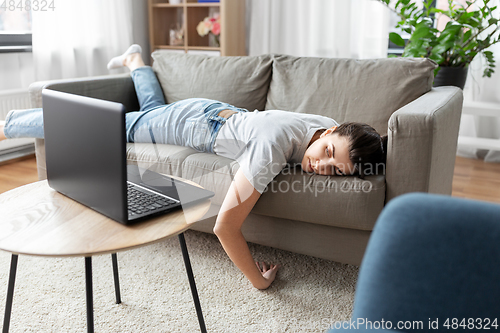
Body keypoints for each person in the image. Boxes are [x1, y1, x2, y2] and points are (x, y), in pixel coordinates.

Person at [0, 45, 387, 290]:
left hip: (216, 113)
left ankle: (137, 60)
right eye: (327, 151)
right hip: (192, 124)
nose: (320, 165)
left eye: (335, 170)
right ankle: (8, 124)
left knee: (147, 113)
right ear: (331, 131)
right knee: (109, 127)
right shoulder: (273, 146)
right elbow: (225, 226)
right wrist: (259, 281)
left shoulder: (326, 124)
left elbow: (356, 158)